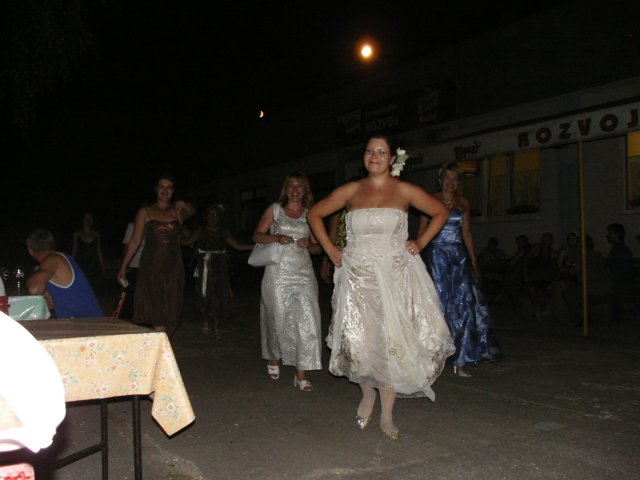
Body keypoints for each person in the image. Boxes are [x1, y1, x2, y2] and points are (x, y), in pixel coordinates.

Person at [307, 134, 454, 440]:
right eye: (369, 151)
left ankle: (387, 413)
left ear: (391, 159)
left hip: (394, 277)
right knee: (361, 340)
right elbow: (315, 214)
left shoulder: (404, 190)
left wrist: (421, 242)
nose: (374, 156)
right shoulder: (351, 190)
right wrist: (331, 250)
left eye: (381, 151)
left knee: (390, 342)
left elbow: (441, 212)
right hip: (357, 278)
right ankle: (367, 395)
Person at [419, 162, 503, 377]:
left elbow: (467, 233)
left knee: (464, 304)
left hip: (458, 257)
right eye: (447, 178)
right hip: (437, 257)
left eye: (455, 179)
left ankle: (462, 358)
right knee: (438, 305)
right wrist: (418, 263)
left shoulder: (463, 202)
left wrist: (473, 261)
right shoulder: (428, 200)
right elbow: (422, 234)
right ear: (440, 180)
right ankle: (433, 356)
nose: (450, 182)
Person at [253, 171, 323, 392]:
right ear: (286, 188)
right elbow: (257, 235)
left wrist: (309, 245)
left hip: (303, 273)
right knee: (277, 316)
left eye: (299, 186)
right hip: (278, 273)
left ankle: (301, 374)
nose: (295, 190)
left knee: (307, 319)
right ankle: (274, 357)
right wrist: (276, 238)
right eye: (291, 185)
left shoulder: (311, 214)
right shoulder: (275, 210)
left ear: (305, 190)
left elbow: (318, 247)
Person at [117, 174, 195, 336]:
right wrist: (123, 266)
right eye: (162, 186)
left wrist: (184, 204)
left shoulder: (176, 211)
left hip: (173, 267)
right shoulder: (145, 212)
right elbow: (135, 241)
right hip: (152, 267)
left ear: (173, 191)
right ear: (156, 189)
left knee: (172, 311)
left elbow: (192, 211)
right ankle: (160, 343)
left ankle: (161, 342)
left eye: (169, 187)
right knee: (157, 312)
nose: (165, 190)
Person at [182, 204, 253, 337]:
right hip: (204, 267)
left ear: (219, 218)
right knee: (204, 294)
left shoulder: (223, 232)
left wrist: (254, 247)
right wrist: (177, 234)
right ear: (206, 217)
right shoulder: (200, 231)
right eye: (210, 215)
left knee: (219, 295)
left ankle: (216, 327)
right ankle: (205, 319)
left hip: (219, 268)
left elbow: (237, 245)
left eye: (215, 215)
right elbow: (185, 242)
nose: (212, 218)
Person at [26, 228, 104, 318]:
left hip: (87, 323)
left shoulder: (53, 259)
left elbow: (34, 289)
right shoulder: (60, 258)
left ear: (30, 249)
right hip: (84, 321)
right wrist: (45, 292)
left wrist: (43, 292)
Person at [605, 223, 637, 321]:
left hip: (621, 287)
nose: (607, 236)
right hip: (621, 286)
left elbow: (621, 272)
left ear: (617, 234)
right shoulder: (619, 249)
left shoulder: (620, 250)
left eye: (610, 233)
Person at [118, 220, 145, 320]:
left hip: (146, 267)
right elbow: (126, 246)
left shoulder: (153, 226)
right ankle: (122, 315)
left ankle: (139, 315)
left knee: (142, 292)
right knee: (126, 289)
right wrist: (125, 265)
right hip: (132, 265)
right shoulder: (132, 226)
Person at [70, 212, 105, 290]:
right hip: (81, 263)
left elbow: (99, 249)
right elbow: (74, 249)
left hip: (94, 263)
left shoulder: (96, 233)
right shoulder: (77, 233)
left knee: (95, 286)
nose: (88, 220)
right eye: (86, 218)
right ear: (83, 220)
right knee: (82, 285)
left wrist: (102, 265)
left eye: (90, 218)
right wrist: (71, 263)